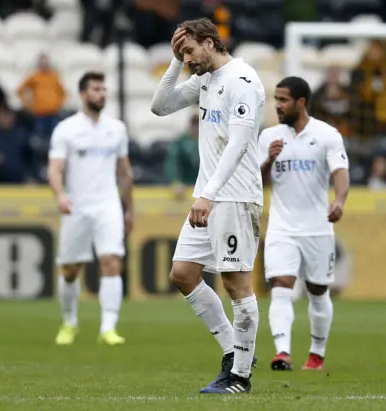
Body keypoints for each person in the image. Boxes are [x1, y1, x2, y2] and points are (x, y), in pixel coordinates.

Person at [151, 18, 265, 394]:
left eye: (189, 51)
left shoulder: (242, 80)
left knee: (236, 283)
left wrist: (208, 195)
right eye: (182, 53)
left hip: (233, 196)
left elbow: (238, 143)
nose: (188, 59)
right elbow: (160, 106)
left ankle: (241, 378)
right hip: (210, 196)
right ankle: (235, 351)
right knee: (183, 274)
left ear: (211, 42)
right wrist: (173, 62)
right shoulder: (205, 79)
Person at [258, 77, 350, 372]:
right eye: (276, 99)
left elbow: (340, 171)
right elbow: (257, 183)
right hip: (281, 228)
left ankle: (316, 353)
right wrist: (268, 162)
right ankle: (282, 352)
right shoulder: (268, 137)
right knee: (281, 285)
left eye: (283, 100)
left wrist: (339, 201)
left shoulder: (327, 135)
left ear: (301, 102)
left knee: (318, 290)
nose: (278, 105)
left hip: (317, 228)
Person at [48, 72, 134, 347]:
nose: (101, 94)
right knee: (71, 269)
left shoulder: (117, 128)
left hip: (107, 205)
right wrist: (60, 196)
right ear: (83, 94)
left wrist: (129, 208)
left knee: (111, 261)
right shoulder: (66, 129)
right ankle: (69, 321)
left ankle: (108, 327)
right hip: (76, 206)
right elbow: (55, 168)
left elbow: (124, 172)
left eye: (104, 89)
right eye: (96, 89)